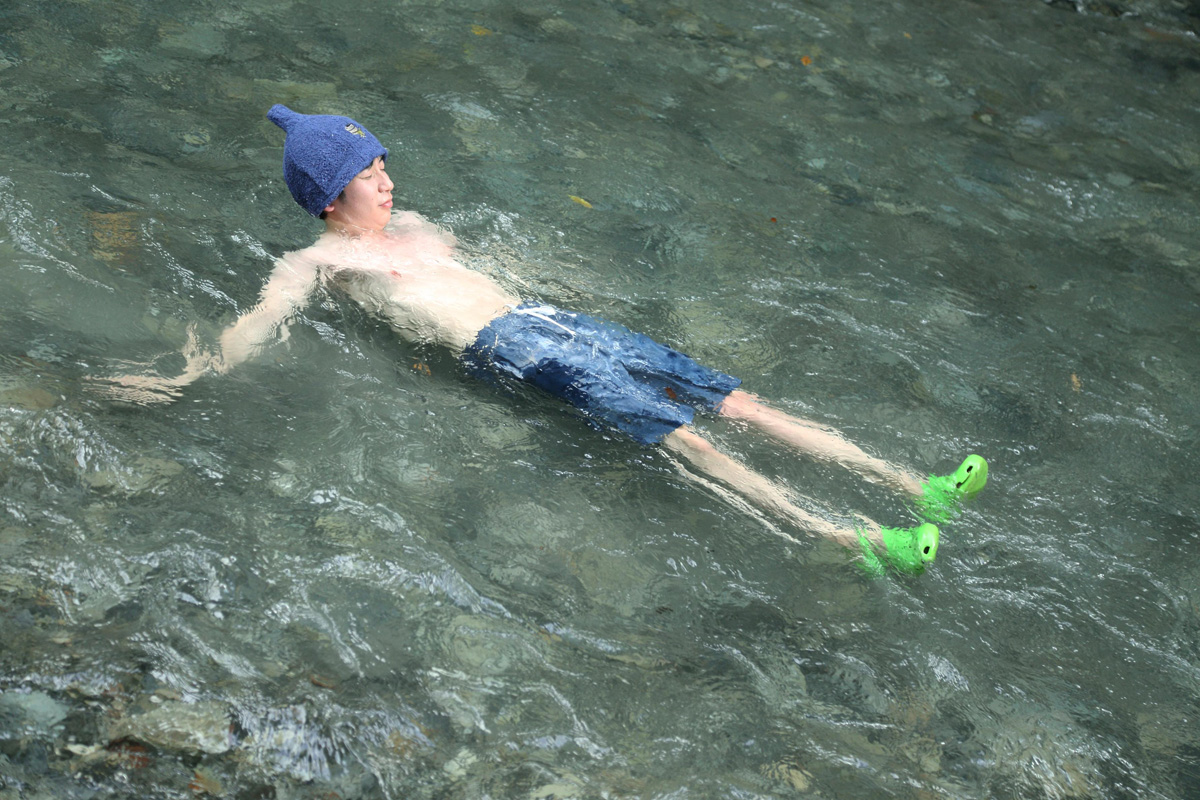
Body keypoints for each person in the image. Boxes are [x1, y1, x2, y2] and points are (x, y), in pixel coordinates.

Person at [92, 105, 988, 575]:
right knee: (685, 436)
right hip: (515, 351)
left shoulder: (423, 228)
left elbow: (501, 265)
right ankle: (852, 539)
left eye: (384, 163)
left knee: (731, 397)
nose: (388, 181)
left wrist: (577, 291)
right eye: (368, 174)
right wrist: (186, 375)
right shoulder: (318, 263)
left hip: (560, 325)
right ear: (330, 196)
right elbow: (256, 324)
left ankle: (918, 487)